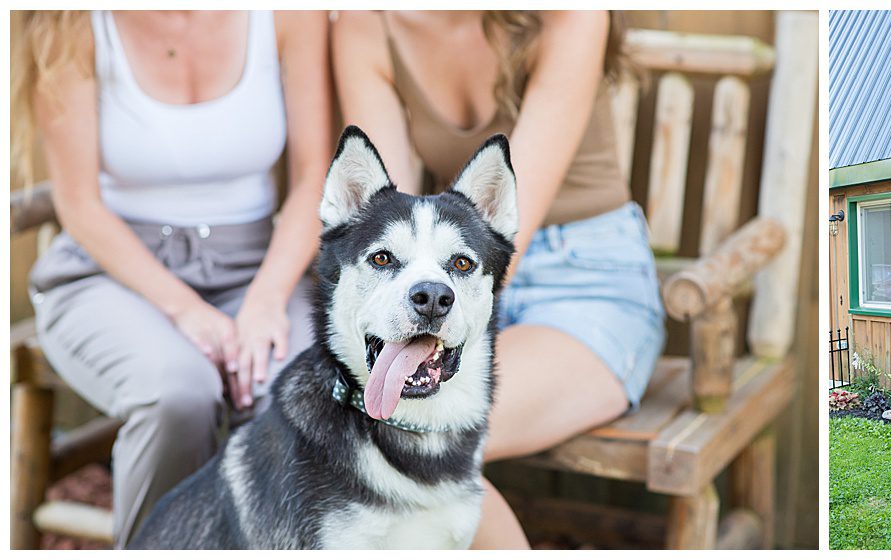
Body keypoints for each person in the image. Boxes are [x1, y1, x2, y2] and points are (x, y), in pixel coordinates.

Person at [331, 10, 666, 548]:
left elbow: (506, 233)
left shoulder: (567, 16)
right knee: (362, 433)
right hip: (447, 286)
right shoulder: (367, 24)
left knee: (418, 436)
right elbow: (379, 219)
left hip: (584, 289)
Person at [12, 10, 332, 546]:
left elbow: (313, 176)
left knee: (295, 389)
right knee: (177, 394)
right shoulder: (67, 22)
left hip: (258, 267)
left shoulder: (289, 15)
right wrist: (184, 307)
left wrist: (267, 298)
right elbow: (79, 203)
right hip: (113, 271)